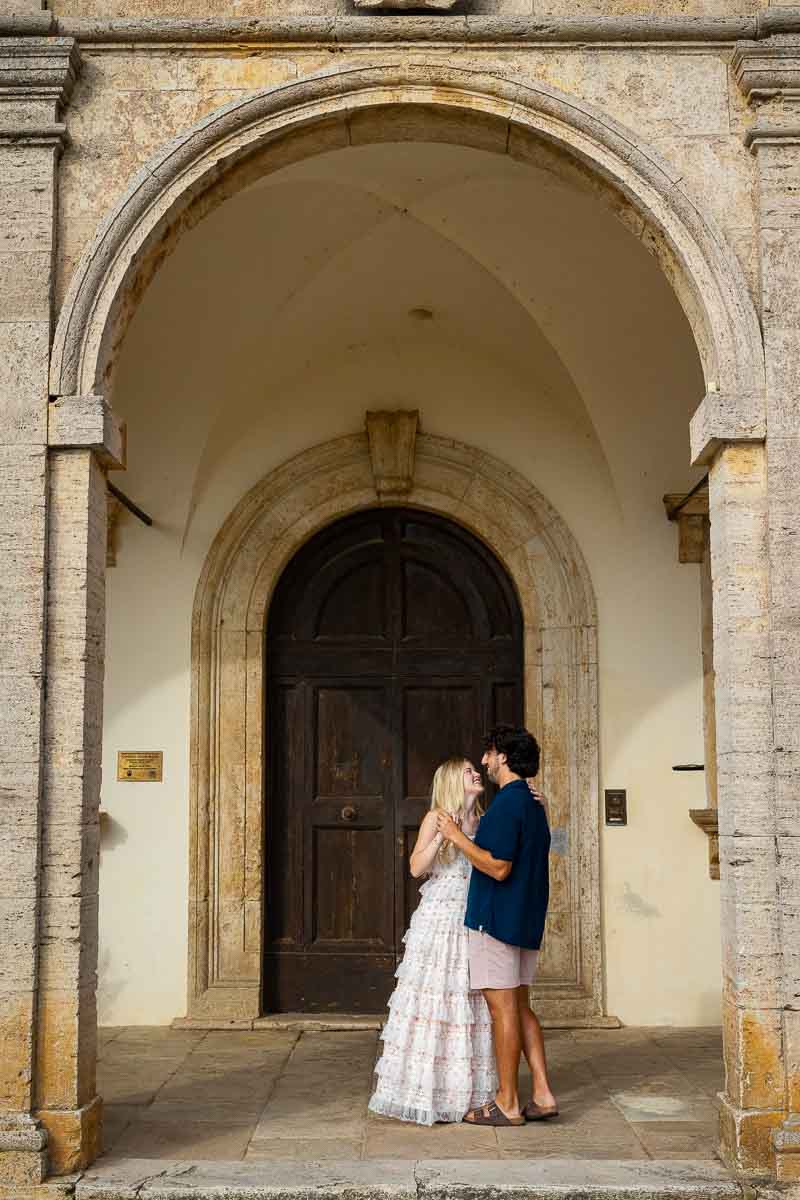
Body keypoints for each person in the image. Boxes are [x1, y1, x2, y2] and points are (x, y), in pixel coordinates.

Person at [436, 725, 557, 1127]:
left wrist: (456, 836)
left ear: (503, 756)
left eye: (488, 754)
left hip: (497, 920)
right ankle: (541, 1093)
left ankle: (506, 1101)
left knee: (502, 1009)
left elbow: (498, 867)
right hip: (525, 919)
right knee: (521, 1006)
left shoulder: (507, 803)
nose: (484, 761)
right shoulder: (534, 803)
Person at [368, 757, 497, 1125]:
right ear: (454, 781)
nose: (476, 774)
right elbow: (415, 868)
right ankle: (421, 1090)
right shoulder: (435, 817)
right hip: (439, 923)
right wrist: (443, 833)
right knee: (435, 1002)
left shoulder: (485, 822)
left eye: (477, 769)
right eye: (469, 771)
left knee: (470, 1006)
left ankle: (468, 1094)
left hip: (474, 921)